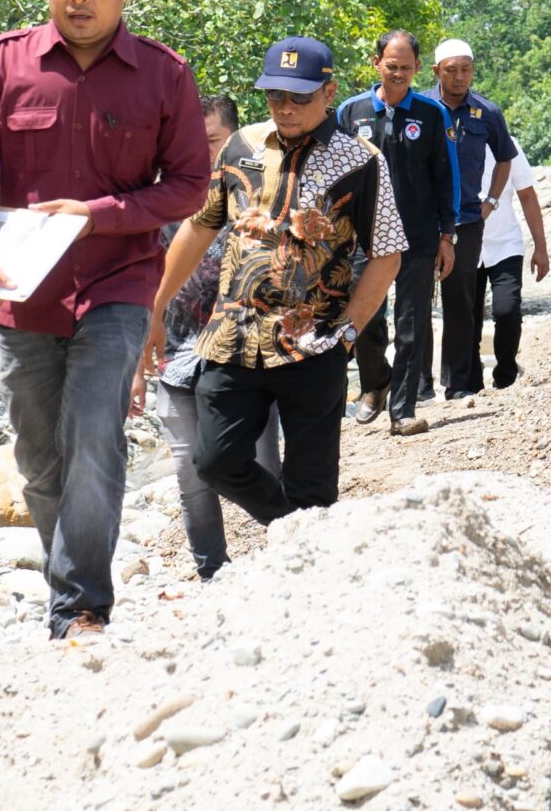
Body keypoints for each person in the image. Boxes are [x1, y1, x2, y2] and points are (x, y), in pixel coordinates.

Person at [0, 0, 212, 641]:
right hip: (22, 293)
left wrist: (98, 214)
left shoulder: (164, 74)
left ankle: (80, 609)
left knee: (95, 435)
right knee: (39, 455)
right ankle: (72, 582)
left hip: (118, 285)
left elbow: (190, 186)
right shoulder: (5, 64)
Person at [149, 36, 406, 518]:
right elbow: (200, 225)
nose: (285, 108)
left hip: (315, 347)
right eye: (274, 96)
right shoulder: (239, 145)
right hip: (233, 340)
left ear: (329, 93)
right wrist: (155, 306)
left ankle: (304, 561)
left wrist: (348, 333)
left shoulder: (362, 162)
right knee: (215, 461)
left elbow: (387, 255)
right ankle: (294, 531)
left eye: (299, 97)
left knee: (313, 490)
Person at [140, 95, 280, 581]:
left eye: (213, 143)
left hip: (249, 353)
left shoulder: (261, 194)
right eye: (189, 145)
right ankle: (211, 571)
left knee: (264, 461)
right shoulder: (162, 200)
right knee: (188, 471)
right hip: (175, 353)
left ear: (237, 142)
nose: (201, 156)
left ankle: (289, 552)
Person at [335, 31, 456, 430]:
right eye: (392, 66)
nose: (399, 73)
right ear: (376, 63)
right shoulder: (351, 113)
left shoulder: (431, 114)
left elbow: (445, 176)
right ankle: (376, 382)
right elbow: (333, 175)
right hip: (361, 238)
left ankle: (403, 410)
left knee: (412, 322)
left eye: (406, 67)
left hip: (418, 237)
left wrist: (446, 235)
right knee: (364, 319)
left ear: (418, 68)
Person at [429, 38, 518, 399]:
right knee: (415, 302)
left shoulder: (487, 112)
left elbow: (505, 158)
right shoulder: (420, 107)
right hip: (423, 220)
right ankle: (417, 386)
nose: (460, 77)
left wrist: (492, 200)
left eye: (466, 69)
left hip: (466, 219)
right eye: (452, 70)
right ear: (436, 71)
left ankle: (460, 383)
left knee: (461, 301)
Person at [476, 156, 548, 388]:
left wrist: (541, 247)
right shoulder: (455, 138)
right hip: (466, 246)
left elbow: (527, 195)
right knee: (468, 318)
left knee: (507, 311)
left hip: (506, 246)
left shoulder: (509, 147)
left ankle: (505, 376)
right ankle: (469, 381)